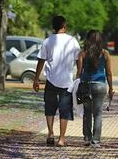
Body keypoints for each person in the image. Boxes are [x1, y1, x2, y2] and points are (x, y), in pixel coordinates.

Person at [33, 15, 81, 147]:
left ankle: (50, 133)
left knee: (50, 108)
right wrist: (79, 74)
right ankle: (61, 139)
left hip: (51, 80)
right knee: (65, 110)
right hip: (67, 82)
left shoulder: (47, 41)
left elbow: (41, 61)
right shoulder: (72, 41)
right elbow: (79, 59)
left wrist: (36, 79)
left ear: (53, 27)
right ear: (64, 26)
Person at [76, 30, 114, 148]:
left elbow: (79, 72)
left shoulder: (83, 53)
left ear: (87, 40)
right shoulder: (105, 53)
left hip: (86, 84)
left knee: (87, 113)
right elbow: (108, 73)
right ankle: (96, 141)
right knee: (98, 114)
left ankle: (87, 138)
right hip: (100, 85)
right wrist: (111, 88)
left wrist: (76, 84)